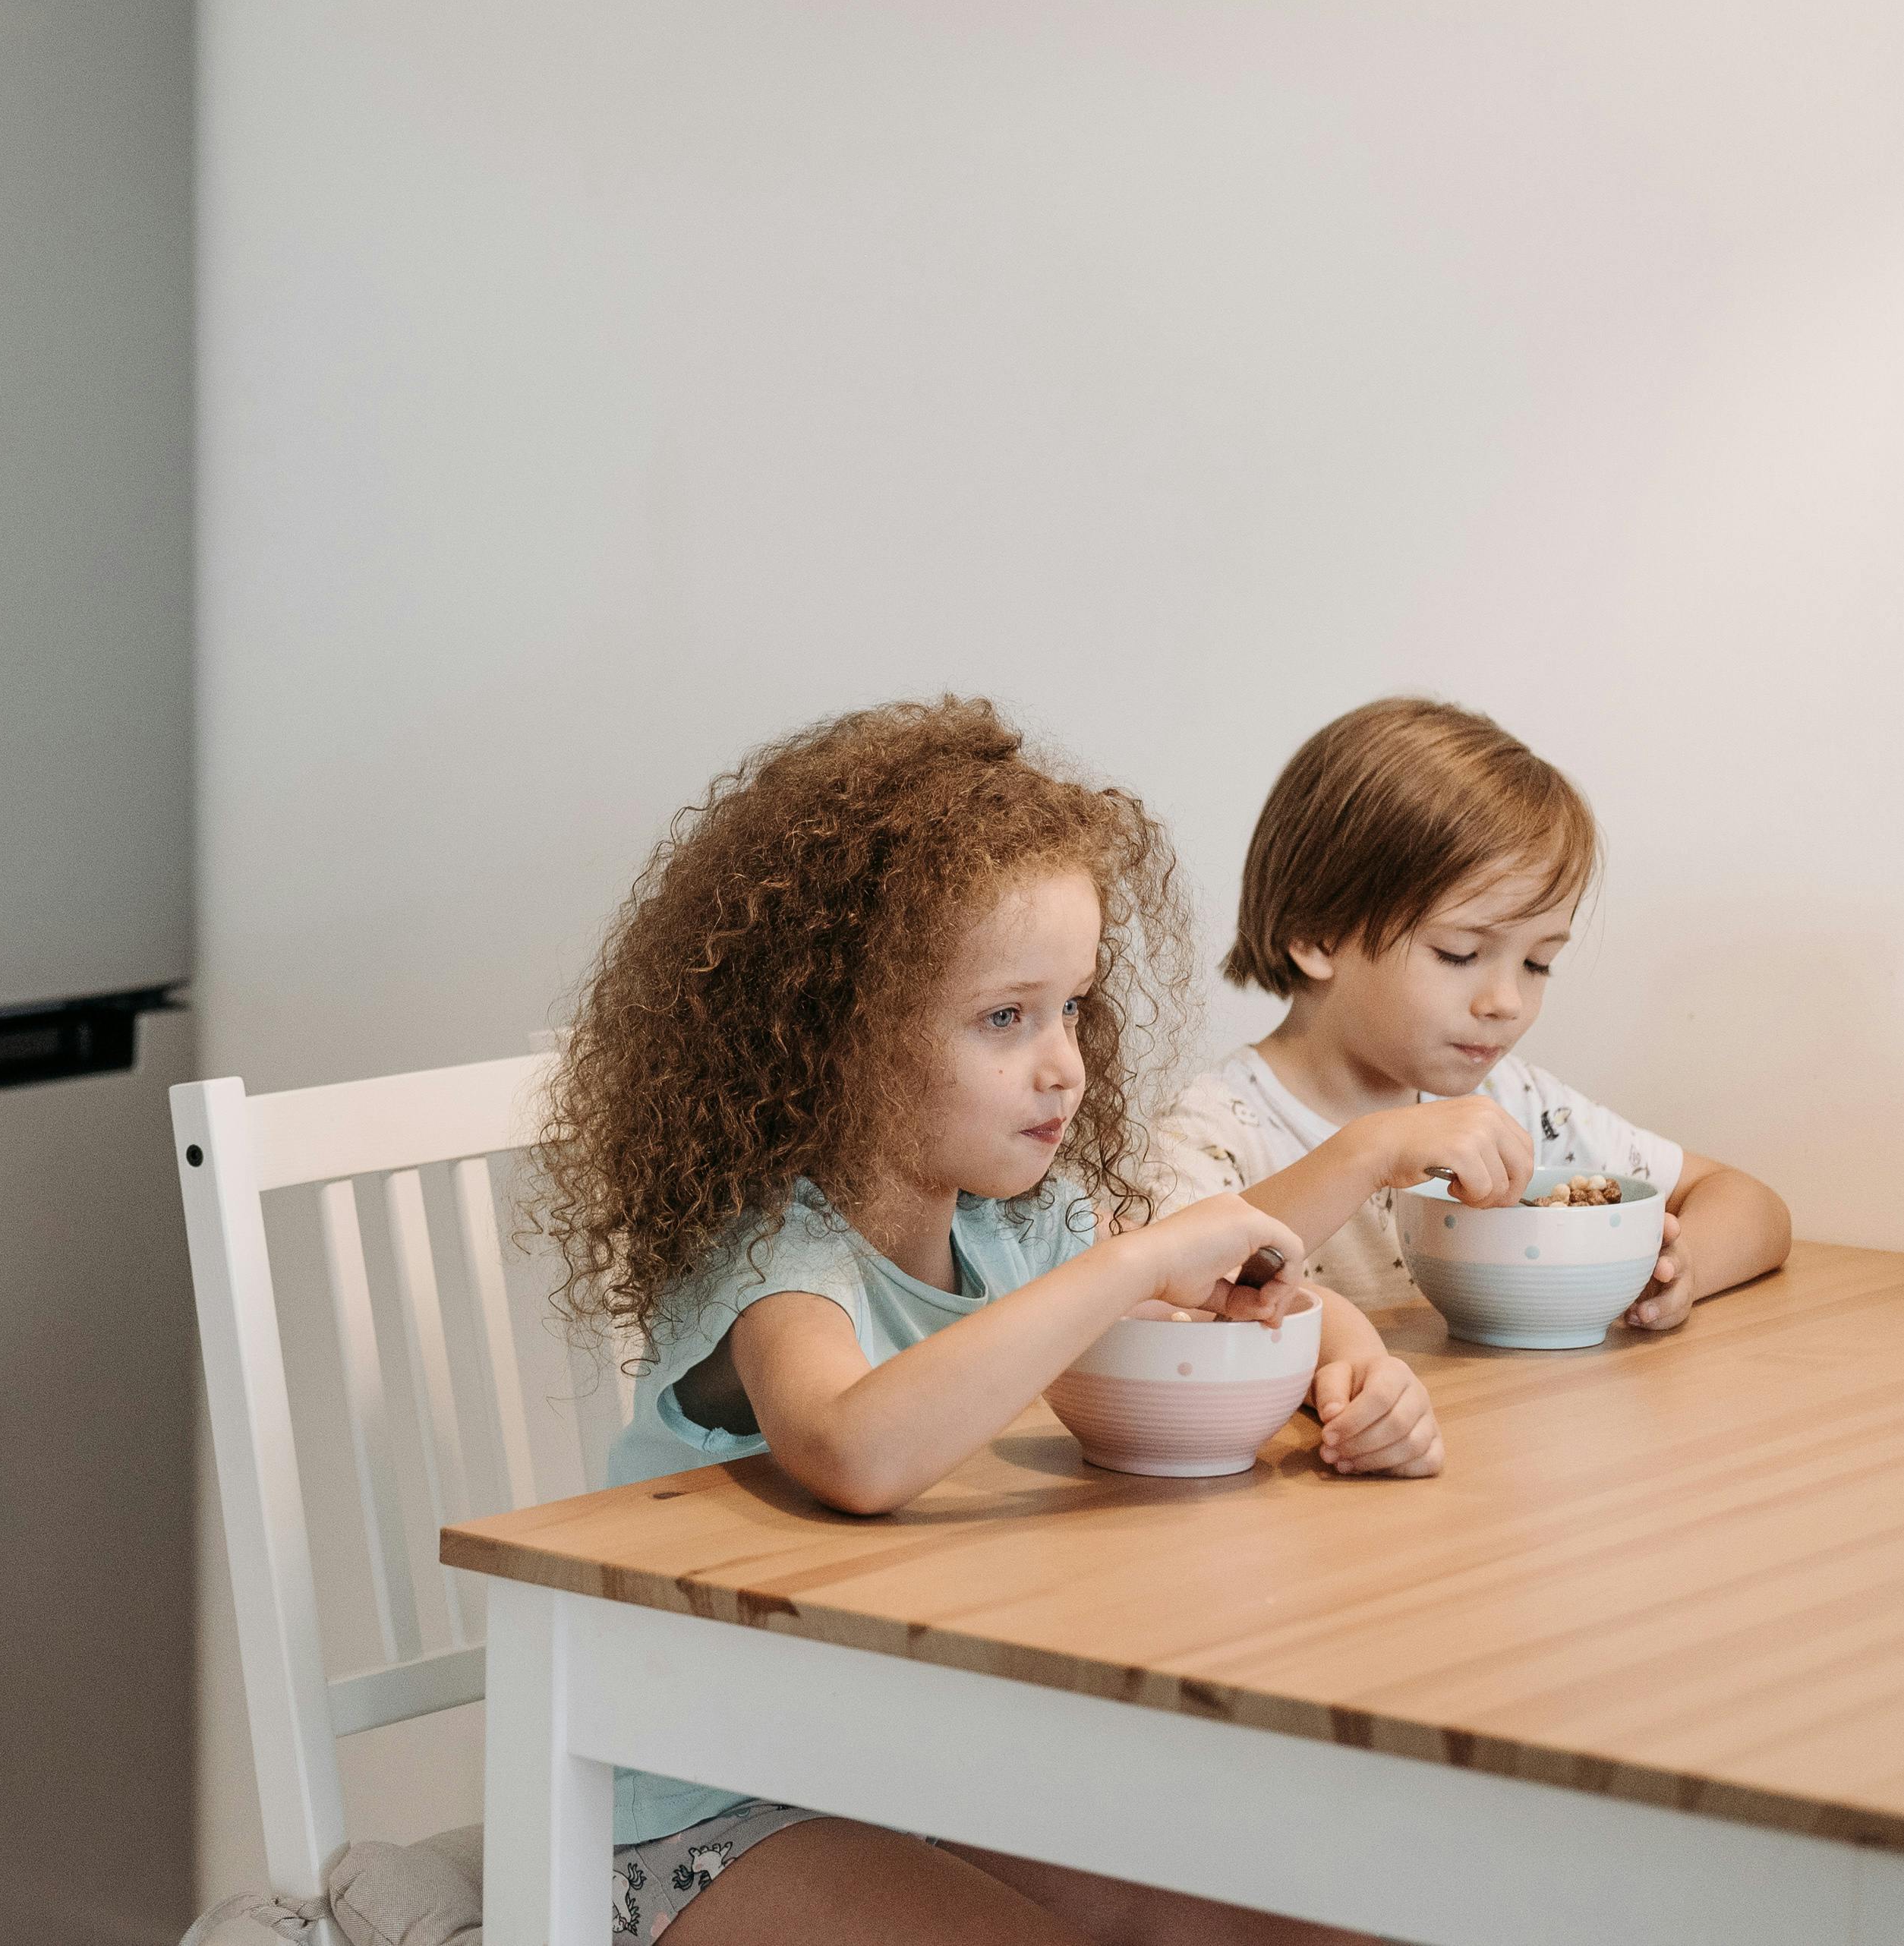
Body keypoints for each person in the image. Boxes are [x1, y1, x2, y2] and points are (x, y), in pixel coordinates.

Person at [541, 699, 1439, 1946]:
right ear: (836, 1036)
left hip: (922, 1764)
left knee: (1318, 1913)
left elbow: (1257, 1289)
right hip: (711, 1811)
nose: (1063, 1061)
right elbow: (855, 1449)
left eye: (1072, 1005)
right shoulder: (772, 1248)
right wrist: (1132, 1263)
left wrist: (1348, 1366)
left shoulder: (1011, 1226)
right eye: (1005, 1016)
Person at [1146, 697, 1789, 1329]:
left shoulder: (1513, 1104)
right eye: (1460, 953)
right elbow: (1170, 1289)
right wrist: (1364, 1154)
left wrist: (1683, 1269)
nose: (1506, 1002)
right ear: (1317, 935)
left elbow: (1751, 1204)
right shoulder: (1207, 1133)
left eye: (1537, 964)